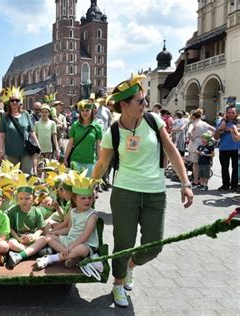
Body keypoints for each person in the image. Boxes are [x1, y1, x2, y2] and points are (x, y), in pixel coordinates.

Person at [91, 74, 193, 307]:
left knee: (154, 246)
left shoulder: (153, 121)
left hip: (155, 193)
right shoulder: (113, 132)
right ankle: (118, 284)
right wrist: (89, 186)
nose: (145, 105)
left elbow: (172, 151)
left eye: (145, 100)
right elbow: (102, 164)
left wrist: (185, 183)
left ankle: (130, 266)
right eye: (140, 101)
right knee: (123, 242)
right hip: (125, 192)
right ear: (124, 105)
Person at [36, 173, 99, 269]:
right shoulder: (73, 211)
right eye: (83, 198)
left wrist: (71, 247)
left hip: (84, 244)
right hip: (70, 240)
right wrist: (55, 233)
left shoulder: (92, 215)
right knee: (48, 237)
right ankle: (73, 257)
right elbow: (69, 229)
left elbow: (85, 236)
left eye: (89, 198)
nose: (87, 201)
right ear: (75, 199)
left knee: (81, 249)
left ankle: (52, 258)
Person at [0, 87, 40, 174]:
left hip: (26, 151)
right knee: (13, 176)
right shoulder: (5, 117)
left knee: (26, 175)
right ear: (9, 102)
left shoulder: (26, 114)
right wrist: (1, 150)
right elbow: (1, 135)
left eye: (17, 100)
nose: (14, 102)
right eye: (12, 100)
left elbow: (31, 132)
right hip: (11, 152)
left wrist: (37, 145)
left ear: (20, 102)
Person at [6, 185, 48, 268]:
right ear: (17, 198)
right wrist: (19, 239)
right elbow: (10, 228)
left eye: (27, 198)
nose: (23, 201)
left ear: (33, 198)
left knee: (43, 239)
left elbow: (40, 229)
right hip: (19, 240)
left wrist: (34, 236)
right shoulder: (13, 211)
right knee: (10, 243)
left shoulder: (37, 211)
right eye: (21, 198)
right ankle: (35, 251)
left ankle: (19, 255)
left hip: (32, 239)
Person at [64, 100, 103, 176]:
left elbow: (99, 147)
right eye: (82, 111)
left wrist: (100, 161)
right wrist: (65, 158)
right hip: (75, 160)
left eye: (87, 110)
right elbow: (70, 143)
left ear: (92, 111)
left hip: (90, 161)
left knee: (87, 186)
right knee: (75, 185)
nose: (84, 113)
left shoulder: (97, 127)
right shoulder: (75, 125)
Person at [187, 109, 215, 187]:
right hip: (204, 143)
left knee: (195, 164)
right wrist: (209, 137)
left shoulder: (193, 124)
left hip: (196, 143)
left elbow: (189, 132)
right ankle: (202, 180)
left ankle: (196, 180)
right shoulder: (205, 123)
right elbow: (214, 130)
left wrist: (192, 138)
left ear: (193, 116)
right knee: (202, 163)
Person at [214, 106, 238, 192]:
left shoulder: (238, 122)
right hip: (224, 148)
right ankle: (225, 184)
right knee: (224, 167)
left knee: (235, 168)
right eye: (229, 112)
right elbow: (216, 137)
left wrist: (231, 129)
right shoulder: (221, 122)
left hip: (236, 148)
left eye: (233, 113)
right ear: (226, 113)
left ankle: (234, 185)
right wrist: (219, 130)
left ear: (236, 114)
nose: (231, 114)